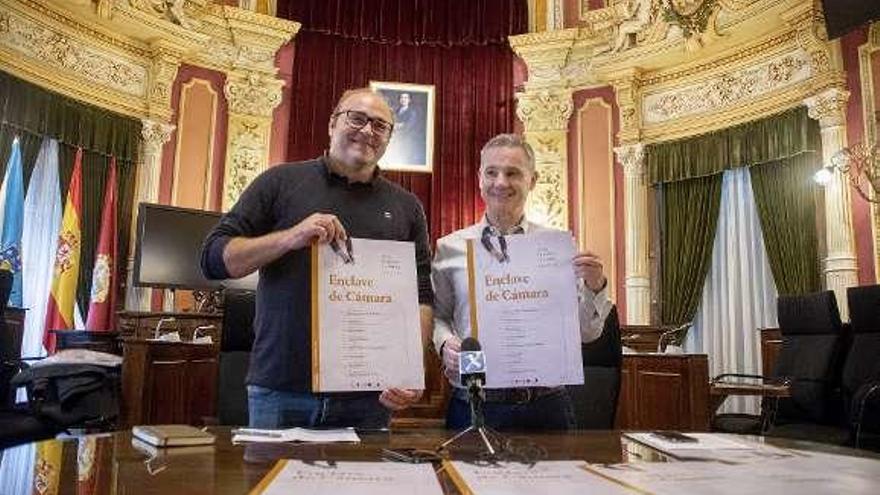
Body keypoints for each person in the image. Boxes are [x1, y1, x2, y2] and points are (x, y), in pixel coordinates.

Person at [201, 88, 433, 430]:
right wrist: (290, 237)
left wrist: (412, 368)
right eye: (357, 118)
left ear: (388, 138)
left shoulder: (406, 207)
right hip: (280, 392)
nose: (368, 131)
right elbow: (213, 259)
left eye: (380, 126)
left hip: (368, 398)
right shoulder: (279, 182)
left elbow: (422, 296)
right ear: (331, 123)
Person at [431, 133, 612, 431]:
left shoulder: (557, 247)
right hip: (473, 403)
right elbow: (439, 316)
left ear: (533, 179)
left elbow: (587, 333)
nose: (500, 182)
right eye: (492, 172)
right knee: (466, 480)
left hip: (547, 406)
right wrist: (444, 344)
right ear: (480, 178)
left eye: (513, 173)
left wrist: (595, 288)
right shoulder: (450, 246)